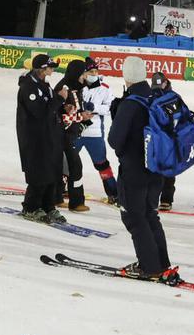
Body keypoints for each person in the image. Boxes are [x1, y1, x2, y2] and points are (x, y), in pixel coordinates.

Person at [108, 56, 178, 282]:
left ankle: (150, 266)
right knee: (150, 215)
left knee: (134, 217)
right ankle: (160, 261)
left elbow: (115, 140)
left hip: (134, 169)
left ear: (126, 76)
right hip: (156, 168)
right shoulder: (156, 98)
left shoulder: (130, 103)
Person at [16, 54, 67, 224]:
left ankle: (48, 206)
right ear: (42, 68)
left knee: (51, 170)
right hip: (33, 136)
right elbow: (39, 112)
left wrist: (62, 106)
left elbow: (50, 108)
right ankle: (30, 207)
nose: (53, 69)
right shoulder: (28, 87)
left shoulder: (44, 84)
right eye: (50, 66)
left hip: (48, 134)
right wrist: (59, 99)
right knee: (39, 171)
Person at [76, 61, 120, 206]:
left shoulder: (105, 89)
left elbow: (111, 109)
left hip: (94, 135)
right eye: (91, 72)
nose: (94, 74)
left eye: (96, 71)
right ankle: (60, 189)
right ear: (84, 74)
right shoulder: (79, 88)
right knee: (67, 161)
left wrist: (94, 108)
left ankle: (114, 194)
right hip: (75, 131)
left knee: (102, 164)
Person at [56, 59, 92, 213]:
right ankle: (76, 202)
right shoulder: (63, 88)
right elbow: (60, 116)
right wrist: (80, 117)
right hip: (62, 135)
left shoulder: (77, 88)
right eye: (84, 73)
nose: (86, 77)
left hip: (71, 134)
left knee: (62, 166)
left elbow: (72, 111)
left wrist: (81, 115)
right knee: (74, 166)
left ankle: (56, 197)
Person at [149, 71, 188, 211]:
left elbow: (184, 116)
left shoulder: (175, 97)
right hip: (156, 139)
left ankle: (166, 199)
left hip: (171, 139)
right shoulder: (150, 96)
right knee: (154, 169)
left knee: (170, 170)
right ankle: (152, 198)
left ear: (166, 82)